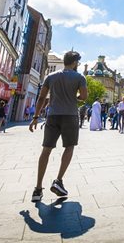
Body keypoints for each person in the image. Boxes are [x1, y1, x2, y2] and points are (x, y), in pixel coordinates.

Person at [29, 51, 87, 202]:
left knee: (46, 150)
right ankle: (58, 181)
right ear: (74, 62)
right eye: (77, 62)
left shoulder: (51, 76)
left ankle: (37, 189)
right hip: (70, 116)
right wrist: (74, 96)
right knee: (69, 147)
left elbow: (42, 97)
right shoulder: (80, 77)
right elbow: (84, 96)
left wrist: (35, 117)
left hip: (53, 115)